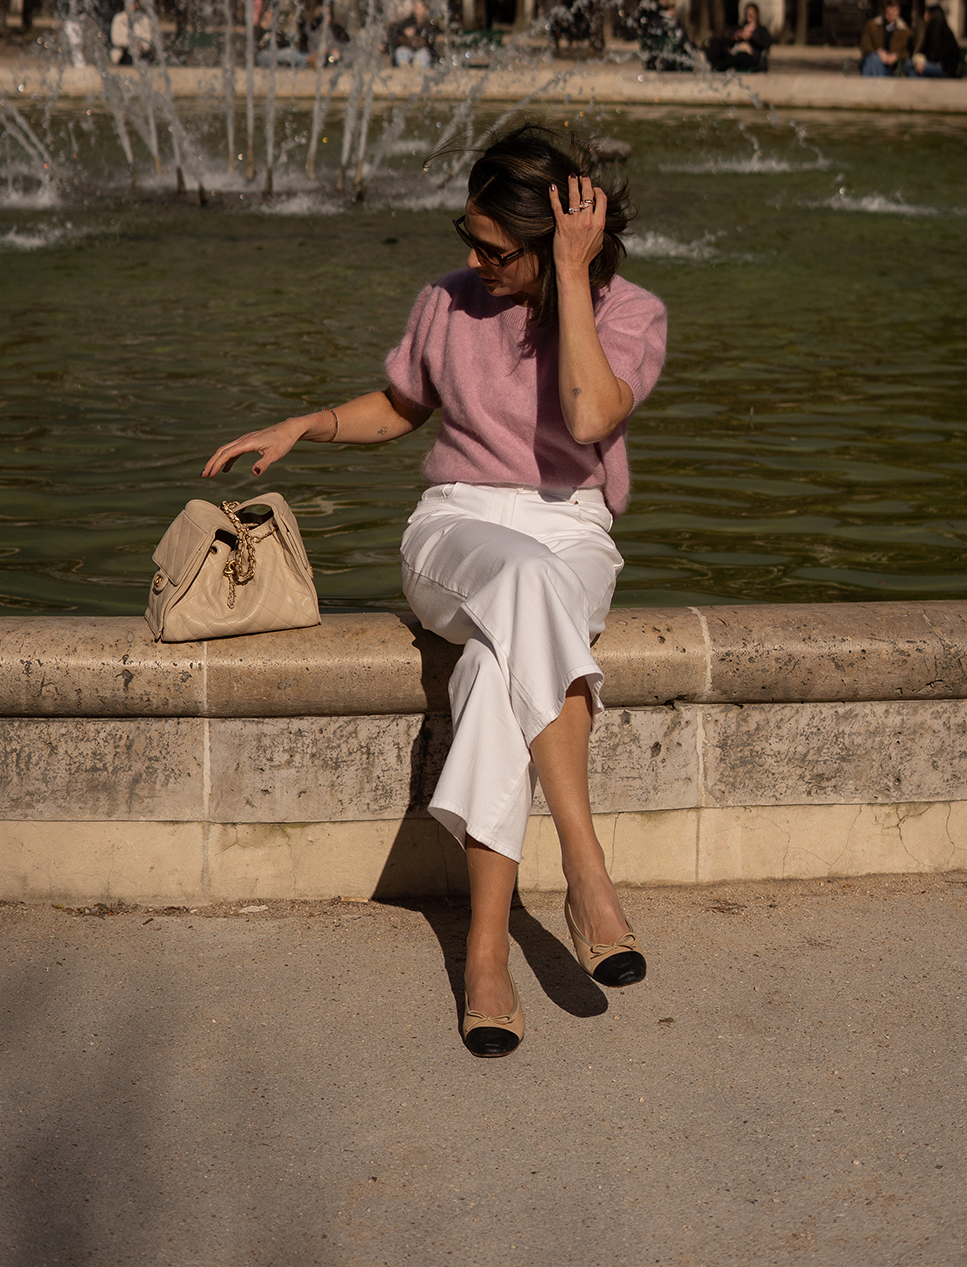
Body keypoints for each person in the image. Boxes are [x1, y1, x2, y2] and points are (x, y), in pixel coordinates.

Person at [202, 125, 667, 1057]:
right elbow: (403, 407)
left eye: (496, 248)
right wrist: (312, 423)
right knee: (523, 592)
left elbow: (586, 413)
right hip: (456, 530)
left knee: (495, 679)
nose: (472, 258)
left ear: (553, 244)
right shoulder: (447, 303)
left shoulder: (629, 314)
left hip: (570, 530)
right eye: (469, 234)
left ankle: (486, 956)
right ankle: (585, 863)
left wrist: (572, 281)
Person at [705, 2, 771, 73]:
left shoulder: (761, 30)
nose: (750, 16)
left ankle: (717, 66)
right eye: (748, 14)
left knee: (740, 56)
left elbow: (766, 44)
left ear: (757, 15)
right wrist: (734, 38)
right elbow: (726, 39)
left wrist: (751, 38)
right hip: (735, 50)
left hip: (750, 55)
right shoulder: (740, 28)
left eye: (752, 14)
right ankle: (706, 58)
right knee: (715, 42)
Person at [905, 4, 961, 78]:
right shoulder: (940, 29)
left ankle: (919, 85)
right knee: (912, 66)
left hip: (943, 69)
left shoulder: (936, 31)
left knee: (908, 65)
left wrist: (921, 63)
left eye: (926, 13)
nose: (925, 16)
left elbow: (934, 54)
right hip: (939, 66)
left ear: (932, 15)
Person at [860, 0, 913, 77]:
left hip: (890, 65)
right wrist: (878, 52)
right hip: (872, 58)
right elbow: (865, 44)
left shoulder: (905, 31)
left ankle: (874, 86)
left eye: (894, 12)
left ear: (898, 12)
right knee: (874, 59)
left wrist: (896, 56)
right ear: (884, 12)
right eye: (888, 13)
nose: (891, 16)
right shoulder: (872, 26)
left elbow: (908, 51)